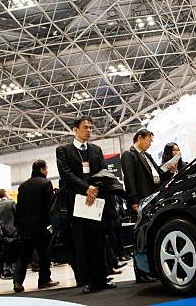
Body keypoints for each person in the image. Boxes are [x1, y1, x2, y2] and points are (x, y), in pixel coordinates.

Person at [56, 116, 115, 294]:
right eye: (85, 127)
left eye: (90, 127)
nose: (89, 130)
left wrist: (94, 189)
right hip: (77, 202)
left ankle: (101, 279)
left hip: (95, 201)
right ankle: (87, 280)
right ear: (75, 129)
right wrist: (86, 188)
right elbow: (65, 174)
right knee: (82, 243)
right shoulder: (63, 150)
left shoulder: (96, 149)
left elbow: (103, 173)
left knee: (99, 241)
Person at [13, 160, 59, 293]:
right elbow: (49, 207)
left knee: (24, 256)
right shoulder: (46, 183)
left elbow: (19, 208)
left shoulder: (23, 186)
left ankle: (17, 282)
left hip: (25, 228)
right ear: (42, 169)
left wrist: (18, 226)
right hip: (41, 227)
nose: (47, 171)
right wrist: (52, 225)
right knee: (44, 254)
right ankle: (44, 281)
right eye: (47, 169)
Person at [121, 129, 174, 214]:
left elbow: (158, 173)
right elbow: (129, 179)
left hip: (155, 196)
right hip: (142, 199)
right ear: (140, 138)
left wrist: (170, 171)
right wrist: (134, 201)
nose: (150, 144)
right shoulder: (129, 154)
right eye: (149, 140)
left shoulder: (148, 156)